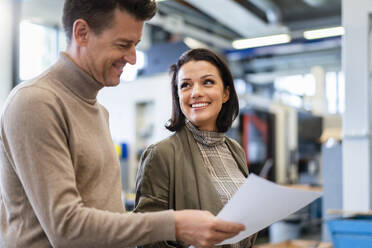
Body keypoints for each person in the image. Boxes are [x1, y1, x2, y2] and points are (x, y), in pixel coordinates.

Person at [0, 1, 245, 247]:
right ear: (82, 33)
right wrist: (175, 224)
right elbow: (66, 228)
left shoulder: (97, 111)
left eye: (136, 46)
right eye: (123, 45)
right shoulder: (35, 102)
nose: (132, 58)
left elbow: (105, 216)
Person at [134, 48, 258, 248]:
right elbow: (147, 238)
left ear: (226, 93)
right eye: (185, 85)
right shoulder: (161, 155)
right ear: (178, 96)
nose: (196, 92)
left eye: (207, 82)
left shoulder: (235, 150)